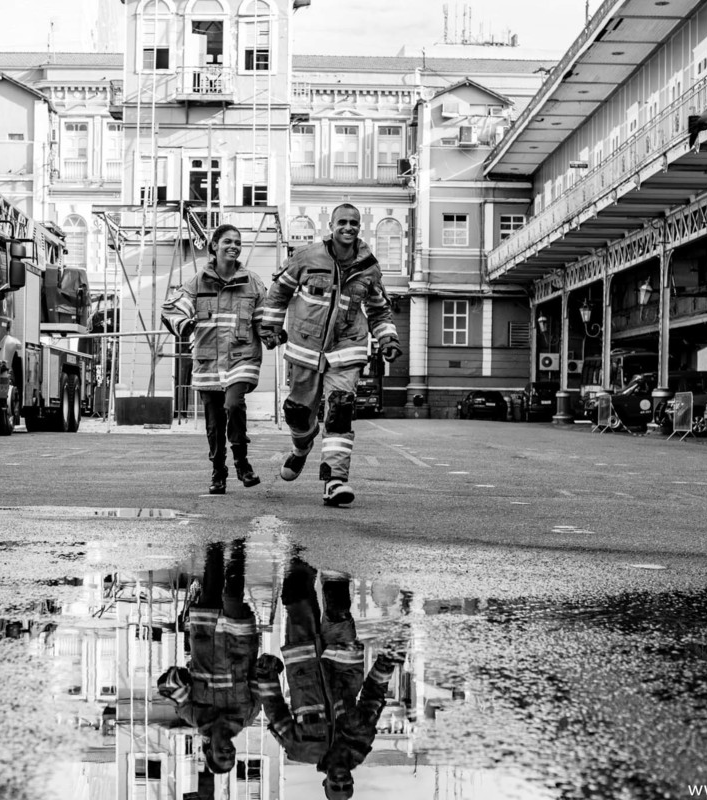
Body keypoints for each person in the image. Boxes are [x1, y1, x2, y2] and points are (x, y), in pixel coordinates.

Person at [260, 204, 401, 507]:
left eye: (353, 223)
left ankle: (334, 481)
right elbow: (279, 293)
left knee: (340, 411)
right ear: (332, 226)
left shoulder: (369, 268)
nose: (348, 227)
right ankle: (301, 448)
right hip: (305, 348)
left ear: (359, 227)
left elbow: (379, 310)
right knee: (297, 413)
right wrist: (270, 327)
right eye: (342, 222)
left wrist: (387, 338)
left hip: (346, 349)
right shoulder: (305, 257)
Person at [254, 556, 404, 800]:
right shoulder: (361, 742)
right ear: (352, 781)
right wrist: (387, 662)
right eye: (347, 786)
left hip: (304, 663)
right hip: (343, 665)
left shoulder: (300, 750)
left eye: (336, 787)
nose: (341, 782)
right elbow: (372, 697)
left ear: (325, 783)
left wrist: (266, 676)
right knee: (337, 606)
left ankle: (303, 547)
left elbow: (275, 711)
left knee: (296, 594)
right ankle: (334, 545)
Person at [162, 224, 266, 495]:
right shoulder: (198, 281)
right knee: (214, 423)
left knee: (234, 404)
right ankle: (218, 471)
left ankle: (242, 463)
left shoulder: (253, 282)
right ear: (215, 245)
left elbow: (264, 317)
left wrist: (273, 333)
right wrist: (184, 323)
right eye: (228, 241)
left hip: (242, 357)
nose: (234, 246)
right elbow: (173, 308)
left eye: (238, 242)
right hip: (208, 361)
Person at [156, 540, 259, 790]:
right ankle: (239, 544)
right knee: (232, 593)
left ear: (209, 751)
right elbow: (259, 680)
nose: (229, 752)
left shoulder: (192, 715)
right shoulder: (247, 716)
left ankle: (216, 537)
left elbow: (170, 683)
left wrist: (174, 683)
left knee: (212, 576)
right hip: (237, 641)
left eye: (222, 756)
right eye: (231, 756)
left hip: (206, 635)